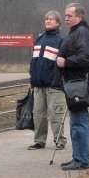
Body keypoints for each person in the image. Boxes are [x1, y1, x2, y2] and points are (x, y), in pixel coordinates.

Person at [56, 3, 89, 171]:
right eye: (65, 16)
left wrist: (66, 62)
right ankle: (77, 157)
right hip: (73, 84)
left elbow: (86, 57)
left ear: (79, 17)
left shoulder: (82, 32)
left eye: (69, 16)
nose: (66, 19)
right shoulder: (76, 32)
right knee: (75, 124)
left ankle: (82, 160)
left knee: (79, 123)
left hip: (78, 84)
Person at [27, 11, 68, 151]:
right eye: (46, 19)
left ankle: (59, 141)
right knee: (38, 115)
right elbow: (34, 62)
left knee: (56, 115)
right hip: (38, 85)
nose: (48, 21)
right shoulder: (39, 39)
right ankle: (39, 141)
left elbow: (64, 63)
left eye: (51, 19)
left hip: (54, 85)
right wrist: (32, 79)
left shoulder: (62, 40)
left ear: (58, 23)